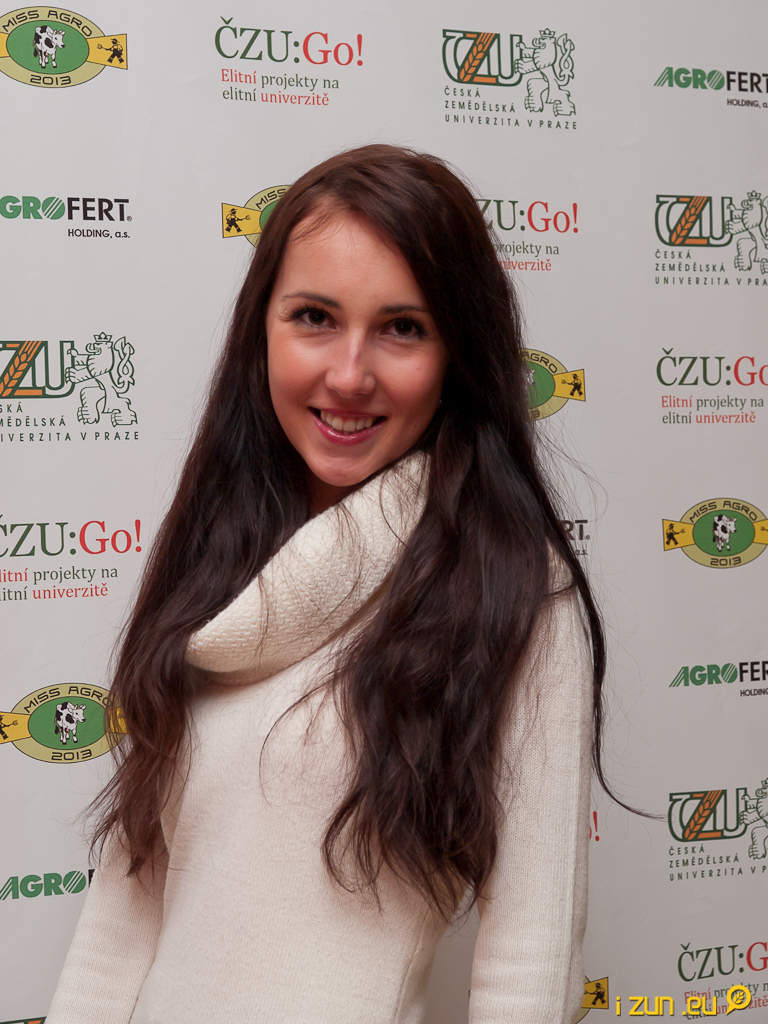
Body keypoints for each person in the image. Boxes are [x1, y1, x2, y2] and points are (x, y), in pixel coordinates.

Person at [46, 144, 605, 1024]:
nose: (349, 375)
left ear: (458, 352)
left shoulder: (515, 585)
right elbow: (126, 910)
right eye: (314, 316)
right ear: (261, 329)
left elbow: (531, 961)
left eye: (403, 327)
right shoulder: (217, 555)